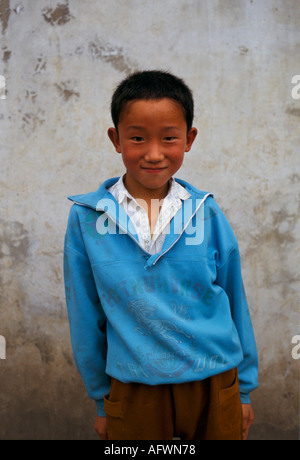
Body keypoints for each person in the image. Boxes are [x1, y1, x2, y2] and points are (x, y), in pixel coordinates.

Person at [63, 70, 259, 440]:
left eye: (169, 138)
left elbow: (234, 299)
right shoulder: (87, 219)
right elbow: (85, 316)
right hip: (135, 387)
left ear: (189, 139)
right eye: (137, 138)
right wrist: (102, 401)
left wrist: (244, 389)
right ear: (115, 139)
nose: (154, 154)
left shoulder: (206, 212)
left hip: (214, 382)